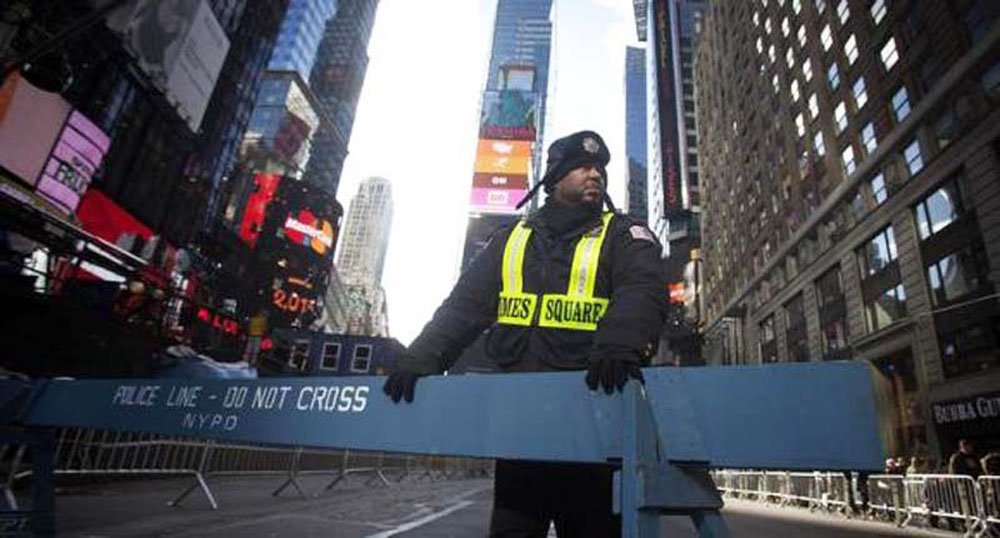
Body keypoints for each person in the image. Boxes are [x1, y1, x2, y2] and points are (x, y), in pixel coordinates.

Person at [383, 130, 665, 537]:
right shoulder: (510, 241)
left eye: (600, 168)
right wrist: (420, 358)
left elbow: (642, 288)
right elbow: (463, 308)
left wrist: (623, 342)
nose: (595, 174)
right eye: (583, 166)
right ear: (553, 178)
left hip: (592, 423)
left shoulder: (623, 234)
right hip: (521, 430)